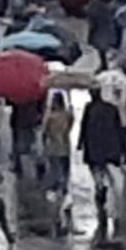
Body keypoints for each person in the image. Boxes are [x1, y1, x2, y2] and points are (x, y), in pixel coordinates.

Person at [79, 90, 126, 221]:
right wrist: (123, 149)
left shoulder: (89, 109)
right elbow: (119, 129)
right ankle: (114, 200)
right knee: (112, 174)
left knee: (96, 170)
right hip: (111, 146)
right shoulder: (111, 108)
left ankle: (100, 186)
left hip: (93, 145)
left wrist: (80, 143)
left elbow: (84, 127)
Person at [40, 92, 74, 228]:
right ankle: (63, 189)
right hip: (65, 146)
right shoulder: (67, 115)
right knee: (65, 168)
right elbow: (70, 126)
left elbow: (44, 131)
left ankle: (55, 189)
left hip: (53, 147)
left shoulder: (51, 117)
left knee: (55, 168)